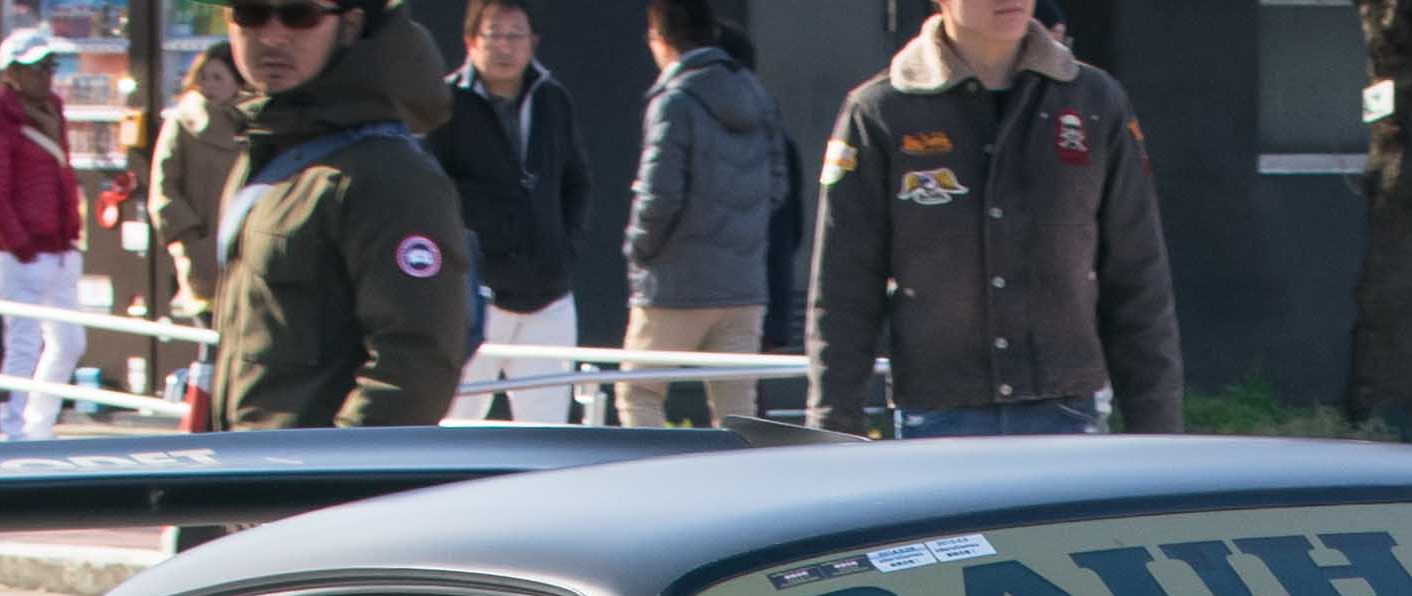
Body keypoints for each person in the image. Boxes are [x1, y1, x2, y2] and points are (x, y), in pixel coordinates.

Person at [807, 0, 1177, 438]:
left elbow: (1139, 278)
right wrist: (830, 434)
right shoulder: (882, 111)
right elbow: (844, 290)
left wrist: (1159, 433)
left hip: (1066, 413)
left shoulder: (1094, 101)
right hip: (939, 415)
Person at [209, 0, 472, 427]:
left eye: (300, 15)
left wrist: (331, 476)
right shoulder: (267, 150)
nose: (273, 35)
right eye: (251, 13)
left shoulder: (388, 175)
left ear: (349, 26)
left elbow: (414, 367)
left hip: (313, 483)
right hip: (249, 474)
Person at [623, 0, 783, 425]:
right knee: (739, 414)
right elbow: (777, 187)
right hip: (744, 287)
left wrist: (638, 250)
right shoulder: (755, 94)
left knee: (638, 393)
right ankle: (743, 492)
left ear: (659, 38)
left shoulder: (674, 101)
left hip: (675, 285)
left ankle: (653, 491)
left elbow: (659, 197)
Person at [434, 0, 589, 418]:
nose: (505, 47)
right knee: (458, 425)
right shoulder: (446, 104)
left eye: (515, 35)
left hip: (549, 294)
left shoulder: (552, 98)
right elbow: (429, 190)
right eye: (494, 35)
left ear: (532, 42)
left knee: (547, 431)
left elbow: (576, 181)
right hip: (475, 292)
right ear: (470, 41)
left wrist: (564, 247)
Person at [0, 36, 88, 433]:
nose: (44, 74)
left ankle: (39, 422)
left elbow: (62, 174)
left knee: (70, 342)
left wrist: (70, 233)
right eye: (36, 66)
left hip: (58, 244)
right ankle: (13, 428)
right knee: (22, 344)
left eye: (49, 65)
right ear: (13, 73)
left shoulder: (52, 110)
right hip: (20, 252)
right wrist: (22, 247)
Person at [151, 36, 254, 321]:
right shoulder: (184, 122)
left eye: (218, 78)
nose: (208, 85)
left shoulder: (257, 124)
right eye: (204, 77)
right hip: (203, 252)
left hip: (248, 252)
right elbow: (164, 188)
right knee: (211, 339)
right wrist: (189, 239)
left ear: (239, 81)